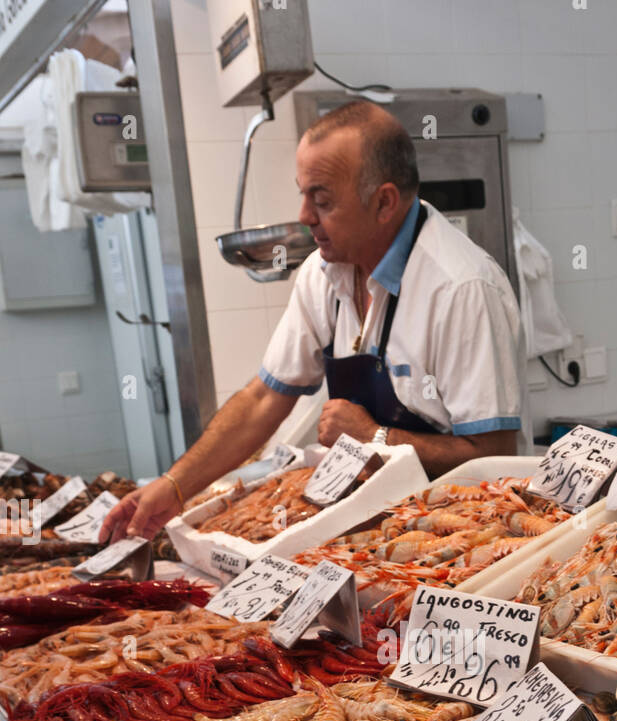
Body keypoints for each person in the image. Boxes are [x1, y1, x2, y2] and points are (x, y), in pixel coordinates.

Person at [101, 100, 526, 544]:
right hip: (372, 524)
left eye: (321, 200)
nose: (304, 216)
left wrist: (375, 437)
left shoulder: (461, 288)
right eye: (302, 194)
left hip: (466, 531)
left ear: (383, 202)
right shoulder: (324, 273)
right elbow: (266, 397)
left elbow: (493, 456)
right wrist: (175, 485)